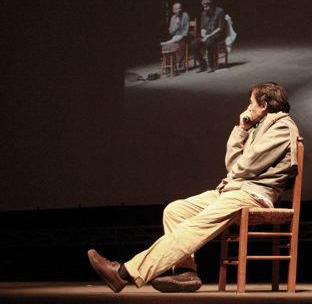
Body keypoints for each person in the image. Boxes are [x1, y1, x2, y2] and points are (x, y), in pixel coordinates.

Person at [87, 82, 300, 293]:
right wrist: (242, 131)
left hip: (254, 195)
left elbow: (247, 165)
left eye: (251, 102)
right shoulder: (256, 128)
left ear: (263, 105)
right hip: (234, 190)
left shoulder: (282, 126)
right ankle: (185, 272)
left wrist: (237, 170)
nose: (248, 107)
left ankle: (124, 272)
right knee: (175, 210)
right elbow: (234, 165)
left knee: (196, 225)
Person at [192, 0, 227, 73]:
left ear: (212, 5)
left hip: (218, 34)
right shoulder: (204, 13)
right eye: (203, 7)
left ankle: (211, 65)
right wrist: (204, 35)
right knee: (194, 44)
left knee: (209, 43)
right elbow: (202, 28)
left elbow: (220, 28)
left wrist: (207, 37)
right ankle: (203, 65)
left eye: (206, 7)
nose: (205, 9)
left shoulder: (220, 11)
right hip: (207, 35)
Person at [160, 2, 190, 68]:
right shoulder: (173, 18)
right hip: (175, 37)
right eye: (176, 9)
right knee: (168, 46)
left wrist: (181, 36)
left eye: (180, 8)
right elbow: (171, 32)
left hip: (184, 37)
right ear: (173, 10)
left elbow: (186, 30)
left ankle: (180, 59)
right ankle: (168, 65)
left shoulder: (185, 15)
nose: (179, 10)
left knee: (175, 43)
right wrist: (176, 25)